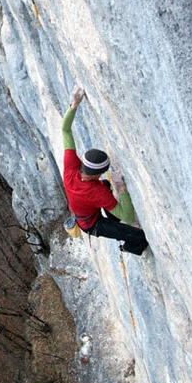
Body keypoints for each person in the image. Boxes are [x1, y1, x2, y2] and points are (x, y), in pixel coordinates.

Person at [62, 85, 149, 256]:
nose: (101, 175)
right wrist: (122, 189)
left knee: (106, 185)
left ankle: (113, 217)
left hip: (86, 209)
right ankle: (127, 248)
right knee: (138, 237)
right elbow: (129, 217)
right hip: (91, 224)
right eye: (102, 172)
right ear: (95, 174)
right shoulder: (96, 192)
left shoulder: (70, 168)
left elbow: (65, 130)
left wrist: (74, 104)